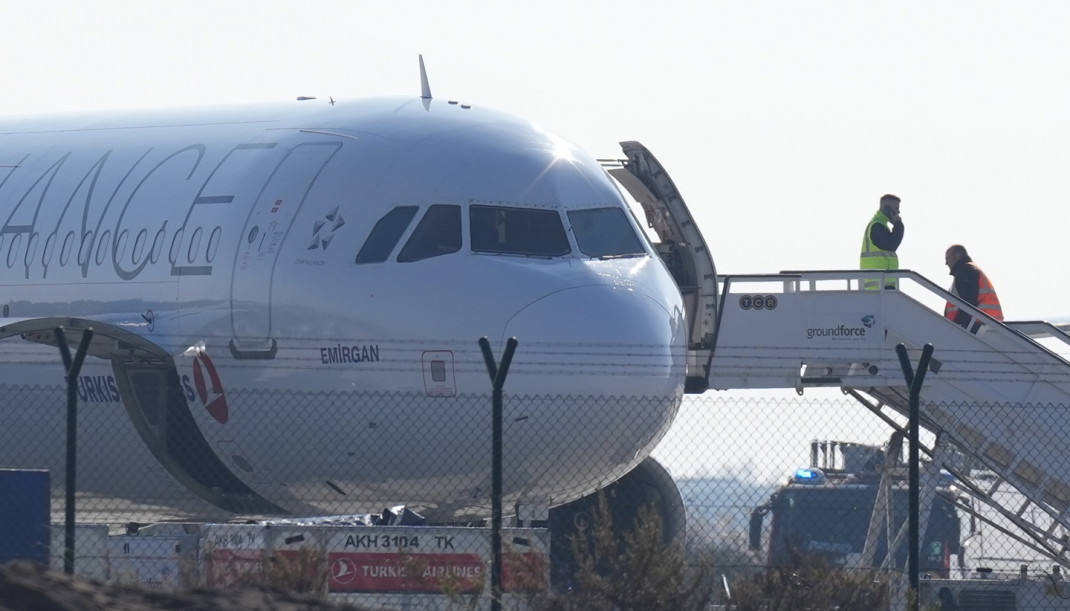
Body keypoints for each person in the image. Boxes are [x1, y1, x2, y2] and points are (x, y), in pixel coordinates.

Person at [943, 244, 1003, 331]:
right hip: (986, 324)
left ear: (958, 255)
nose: (946, 263)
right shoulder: (969, 270)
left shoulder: (966, 271)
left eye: (948, 257)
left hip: (976, 325)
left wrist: (960, 326)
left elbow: (968, 301)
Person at [860, 194, 904, 289]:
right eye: (896, 208)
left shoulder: (881, 226)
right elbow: (892, 245)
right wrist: (898, 225)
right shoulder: (876, 226)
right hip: (878, 288)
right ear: (888, 209)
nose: (898, 212)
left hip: (881, 286)